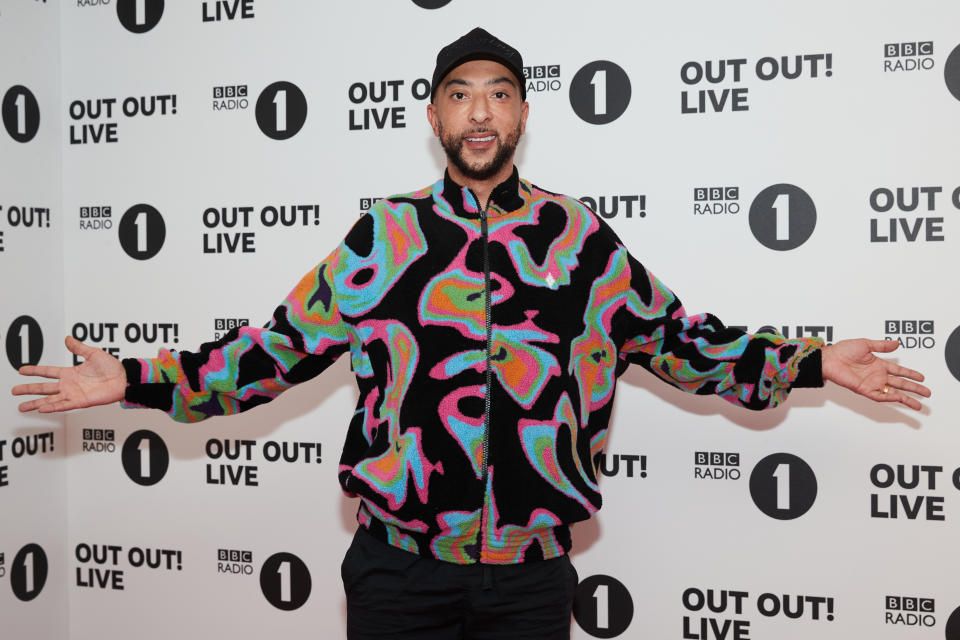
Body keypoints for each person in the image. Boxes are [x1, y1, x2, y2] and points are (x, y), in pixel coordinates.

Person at [12, 28, 930, 640]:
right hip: (397, 575)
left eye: (499, 93)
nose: (481, 111)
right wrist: (134, 380)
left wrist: (811, 361)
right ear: (434, 117)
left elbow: (683, 343)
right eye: (460, 94)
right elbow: (274, 352)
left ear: (524, 112)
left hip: (531, 583)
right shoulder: (385, 237)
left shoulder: (580, 240)